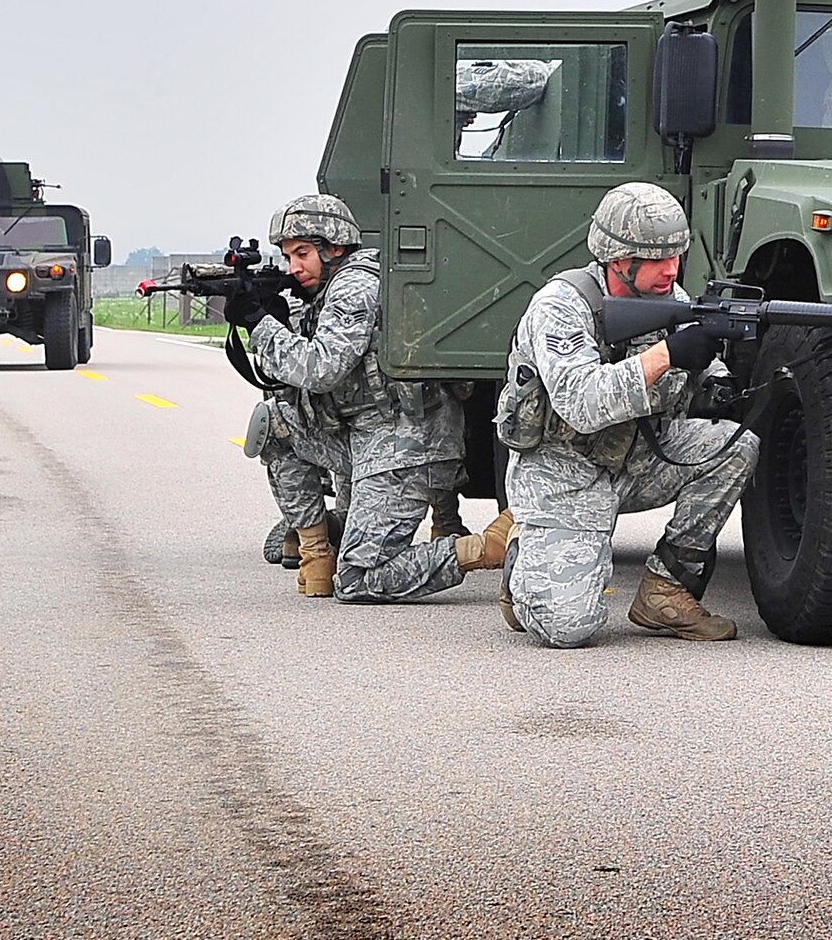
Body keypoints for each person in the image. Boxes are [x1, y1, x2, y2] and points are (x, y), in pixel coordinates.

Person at [498, 182, 758, 647]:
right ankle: (525, 562)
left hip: (634, 461)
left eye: (676, 256)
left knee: (735, 445)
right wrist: (667, 355)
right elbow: (579, 401)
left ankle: (667, 590)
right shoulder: (560, 306)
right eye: (658, 259)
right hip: (562, 473)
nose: (672, 270)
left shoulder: (668, 296)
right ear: (619, 259)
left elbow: (692, 354)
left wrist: (715, 378)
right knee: (566, 629)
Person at [224, 193, 511, 600]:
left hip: (407, 448)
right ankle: (315, 557)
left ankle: (481, 549)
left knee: (360, 580)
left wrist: (260, 325)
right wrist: (278, 319)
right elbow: (290, 382)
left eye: (302, 253)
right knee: (274, 423)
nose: (294, 267)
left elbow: (321, 369)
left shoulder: (356, 285)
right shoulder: (330, 289)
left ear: (334, 246)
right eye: (288, 257)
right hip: (367, 438)